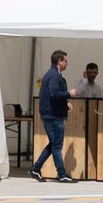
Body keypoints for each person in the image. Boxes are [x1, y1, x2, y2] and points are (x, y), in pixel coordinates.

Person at [32, 51, 76, 181]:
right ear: (60, 61)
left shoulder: (52, 74)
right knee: (57, 145)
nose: (67, 63)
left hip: (51, 114)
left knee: (53, 144)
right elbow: (54, 93)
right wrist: (69, 94)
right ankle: (61, 174)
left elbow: (51, 95)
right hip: (53, 115)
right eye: (65, 61)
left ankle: (35, 169)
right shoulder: (54, 76)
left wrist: (65, 103)